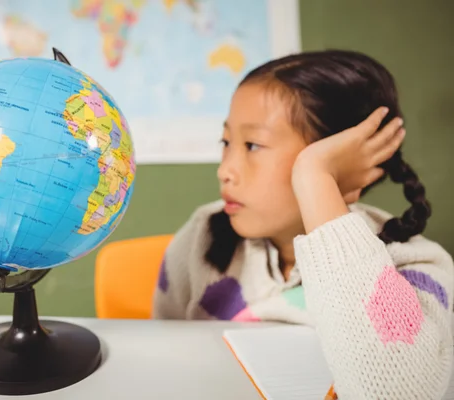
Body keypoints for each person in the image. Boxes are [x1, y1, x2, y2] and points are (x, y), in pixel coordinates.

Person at [152, 49, 454, 399]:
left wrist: (315, 178)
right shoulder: (205, 232)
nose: (225, 170)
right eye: (226, 142)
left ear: (344, 160)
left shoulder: (415, 267)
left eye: (253, 145)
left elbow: (395, 393)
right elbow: (166, 358)